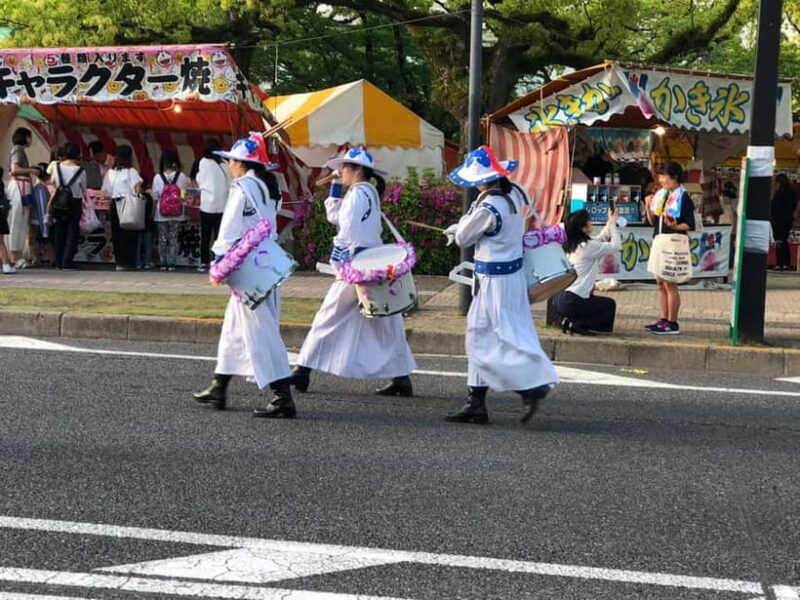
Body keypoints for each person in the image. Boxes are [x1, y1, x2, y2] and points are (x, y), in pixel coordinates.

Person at [443, 146, 558, 424]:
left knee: (495, 336)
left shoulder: (488, 205)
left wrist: (457, 229)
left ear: (483, 178)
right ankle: (478, 402)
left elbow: (465, 238)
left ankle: (529, 386)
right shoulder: (513, 194)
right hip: (507, 278)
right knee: (496, 334)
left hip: (494, 282)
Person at [290, 147, 417, 397]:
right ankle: (401, 377)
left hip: (357, 265)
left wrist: (339, 261)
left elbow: (346, 231)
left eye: (344, 168)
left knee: (328, 316)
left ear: (357, 170)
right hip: (368, 263)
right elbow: (335, 216)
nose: (340, 171)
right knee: (386, 322)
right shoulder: (363, 192)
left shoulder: (359, 194)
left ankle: (303, 370)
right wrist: (336, 187)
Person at [192, 137, 295, 418]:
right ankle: (219, 386)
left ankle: (282, 396)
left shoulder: (243, 187)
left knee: (260, 330)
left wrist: (219, 262)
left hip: (248, 265)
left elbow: (228, 229)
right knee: (234, 327)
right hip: (267, 261)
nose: (229, 165)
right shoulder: (267, 186)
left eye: (231, 160)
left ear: (240, 163)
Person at [644, 162, 695, 335]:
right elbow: (653, 221)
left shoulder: (683, 197)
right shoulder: (661, 195)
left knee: (670, 282)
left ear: (674, 177)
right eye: (660, 176)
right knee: (660, 282)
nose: (661, 179)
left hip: (673, 242)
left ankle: (672, 322)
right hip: (659, 240)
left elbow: (689, 224)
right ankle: (663, 319)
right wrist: (648, 205)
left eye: (664, 175)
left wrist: (674, 226)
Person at [553, 209, 621, 335]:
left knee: (596, 303)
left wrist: (610, 221)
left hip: (561, 298)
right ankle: (578, 324)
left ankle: (572, 320)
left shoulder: (574, 244)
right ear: (582, 228)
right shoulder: (587, 247)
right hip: (573, 300)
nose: (592, 224)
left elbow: (600, 239)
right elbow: (616, 246)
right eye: (589, 222)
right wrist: (613, 225)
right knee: (608, 306)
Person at [192, 138, 230, 272]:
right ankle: (219, 262)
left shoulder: (203, 162)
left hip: (207, 205)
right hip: (223, 205)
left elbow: (200, 181)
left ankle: (203, 262)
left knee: (206, 236)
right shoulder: (225, 164)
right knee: (219, 237)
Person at [102, 145, 143, 271]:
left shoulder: (111, 173)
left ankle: (120, 262)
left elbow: (106, 191)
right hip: (129, 204)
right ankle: (129, 262)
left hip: (115, 203)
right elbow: (138, 188)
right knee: (129, 234)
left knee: (117, 234)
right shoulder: (132, 172)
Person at [47, 142, 86, 271]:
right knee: (72, 232)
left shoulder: (57, 167)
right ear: (77, 155)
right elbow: (84, 187)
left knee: (59, 231)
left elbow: (52, 182)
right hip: (74, 201)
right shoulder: (80, 170)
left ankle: (58, 262)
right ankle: (67, 262)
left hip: (59, 201)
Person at [6, 127, 39, 269]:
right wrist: (31, 170)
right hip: (18, 188)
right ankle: (15, 255)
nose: (31, 141)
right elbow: (15, 169)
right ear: (25, 137)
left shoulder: (19, 151)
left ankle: (16, 254)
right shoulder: (18, 151)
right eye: (30, 137)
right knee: (16, 222)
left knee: (20, 222)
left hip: (22, 188)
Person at [152, 150, 190, 271]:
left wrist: (152, 212)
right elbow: (184, 195)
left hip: (161, 212)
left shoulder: (158, 177)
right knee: (174, 237)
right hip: (177, 212)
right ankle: (172, 263)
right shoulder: (182, 177)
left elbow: (155, 196)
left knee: (162, 237)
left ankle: (163, 263)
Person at [771, 174, 797, 271]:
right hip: (787, 220)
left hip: (778, 220)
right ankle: (787, 263)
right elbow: (793, 206)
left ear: (779, 183)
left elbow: (774, 207)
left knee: (779, 241)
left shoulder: (779, 194)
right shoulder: (792, 193)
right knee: (784, 241)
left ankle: (779, 263)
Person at [30, 163, 53, 266]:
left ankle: (37, 259)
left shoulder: (39, 186)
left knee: (37, 240)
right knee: (43, 240)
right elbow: (42, 206)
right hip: (40, 220)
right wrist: (45, 221)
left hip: (37, 219)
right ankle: (48, 258)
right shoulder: (40, 188)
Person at [0, 166, 14, 273]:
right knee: (1, 242)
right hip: (1, 216)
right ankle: (5, 264)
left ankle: (5, 263)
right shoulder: (2, 186)